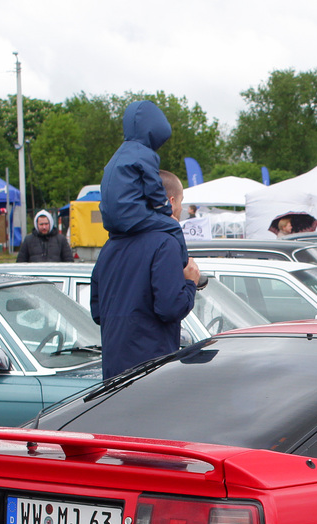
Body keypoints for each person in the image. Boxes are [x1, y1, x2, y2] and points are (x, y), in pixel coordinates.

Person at [92, 170, 199, 380]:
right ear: (170, 201)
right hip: (151, 369)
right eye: (181, 202)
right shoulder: (165, 242)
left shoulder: (111, 244)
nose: (181, 209)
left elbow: (98, 311)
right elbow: (170, 307)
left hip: (113, 369)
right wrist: (190, 283)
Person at [99, 100, 177, 236]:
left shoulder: (118, 155)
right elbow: (154, 187)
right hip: (132, 216)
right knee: (173, 227)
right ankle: (184, 258)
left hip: (110, 221)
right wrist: (166, 211)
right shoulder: (145, 154)